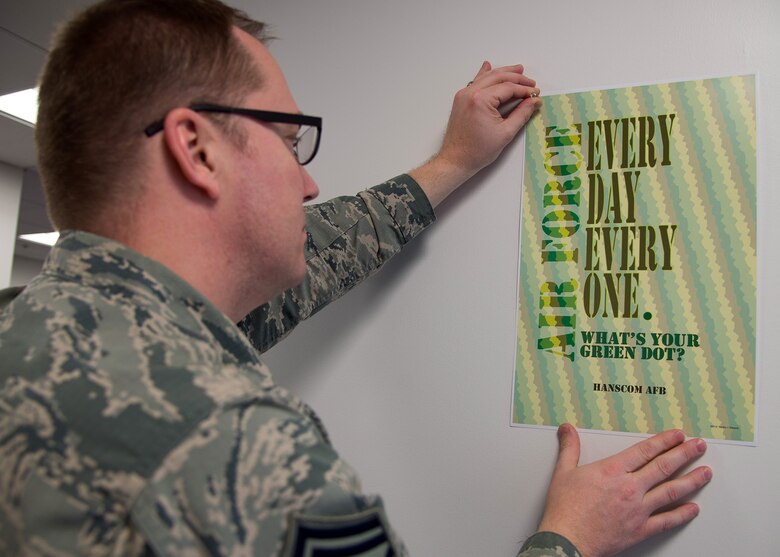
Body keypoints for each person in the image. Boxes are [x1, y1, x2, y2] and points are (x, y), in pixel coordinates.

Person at [0, 0, 712, 555]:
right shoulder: (235, 443)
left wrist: (453, 164)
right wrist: (569, 537)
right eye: (288, 138)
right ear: (197, 148)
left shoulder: (42, 332)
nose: (307, 181)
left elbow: (316, 256)